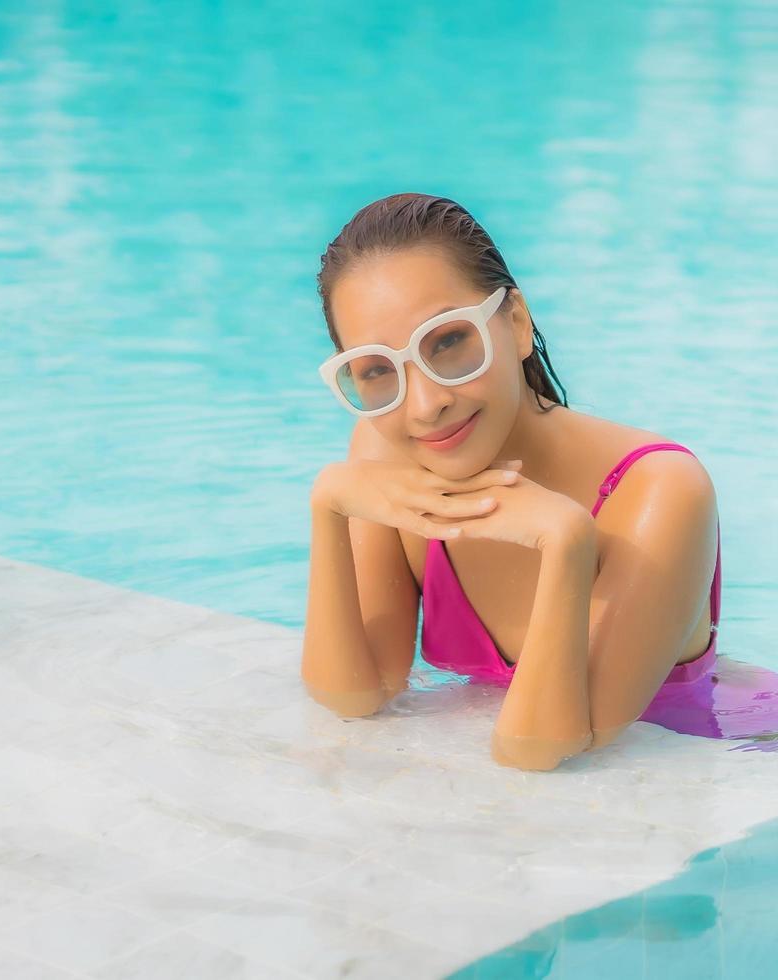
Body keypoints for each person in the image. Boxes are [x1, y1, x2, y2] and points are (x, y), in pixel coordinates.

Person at [301, 193, 726, 772]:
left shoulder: (661, 493)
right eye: (377, 370)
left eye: (449, 341)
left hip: (714, 779)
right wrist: (328, 507)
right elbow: (354, 694)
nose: (426, 405)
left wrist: (567, 541)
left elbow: (543, 747)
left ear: (517, 323)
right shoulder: (386, 456)